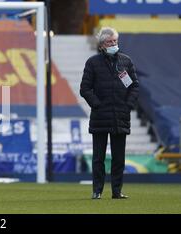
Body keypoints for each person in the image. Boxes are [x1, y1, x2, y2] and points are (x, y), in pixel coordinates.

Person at [80, 27, 139, 199]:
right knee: (98, 158)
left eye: (115, 41)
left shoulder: (125, 61)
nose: (114, 44)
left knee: (118, 158)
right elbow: (85, 88)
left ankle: (116, 191)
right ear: (101, 45)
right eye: (110, 42)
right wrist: (97, 105)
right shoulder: (92, 63)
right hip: (100, 117)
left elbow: (134, 85)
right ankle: (97, 191)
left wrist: (128, 105)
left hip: (120, 116)